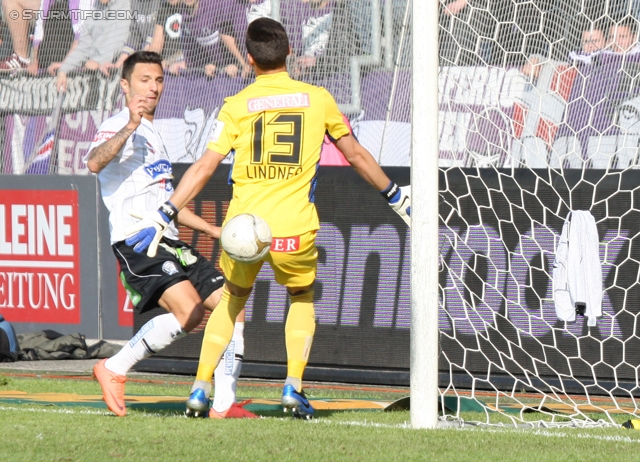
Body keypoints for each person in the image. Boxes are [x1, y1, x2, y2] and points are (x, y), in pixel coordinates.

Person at [132, 17, 411, 419]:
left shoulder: (236, 106)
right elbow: (356, 155)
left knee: (230, 301)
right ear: (290, 53)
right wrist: (396, 196)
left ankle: (198, 389)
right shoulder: (318, 98)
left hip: (243, 230)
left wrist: (167, 211)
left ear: (248, 59)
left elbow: (204, 167)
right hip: (294, 228)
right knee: (301, 296)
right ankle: (293, 387)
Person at [86, 51, 256, 419]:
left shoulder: (155, 134)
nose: (153, 88)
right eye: (144, 80)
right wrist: (128, 126)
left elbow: (168, 202)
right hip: (138, 242)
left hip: (168, 239)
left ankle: (224, 404)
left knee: (232, 305)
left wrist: (211, 228)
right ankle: (114, 367)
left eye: (159, 80)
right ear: (125, 85)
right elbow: (94, 162)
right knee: (190, 312)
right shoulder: (119, 124)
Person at [55, 0, 131, 91]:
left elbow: (117, 41)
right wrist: (63, 70)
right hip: (96, 74)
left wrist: (97, 62)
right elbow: (84, 45)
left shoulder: (125, 5)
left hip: (118, 75)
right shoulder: (96, 7)